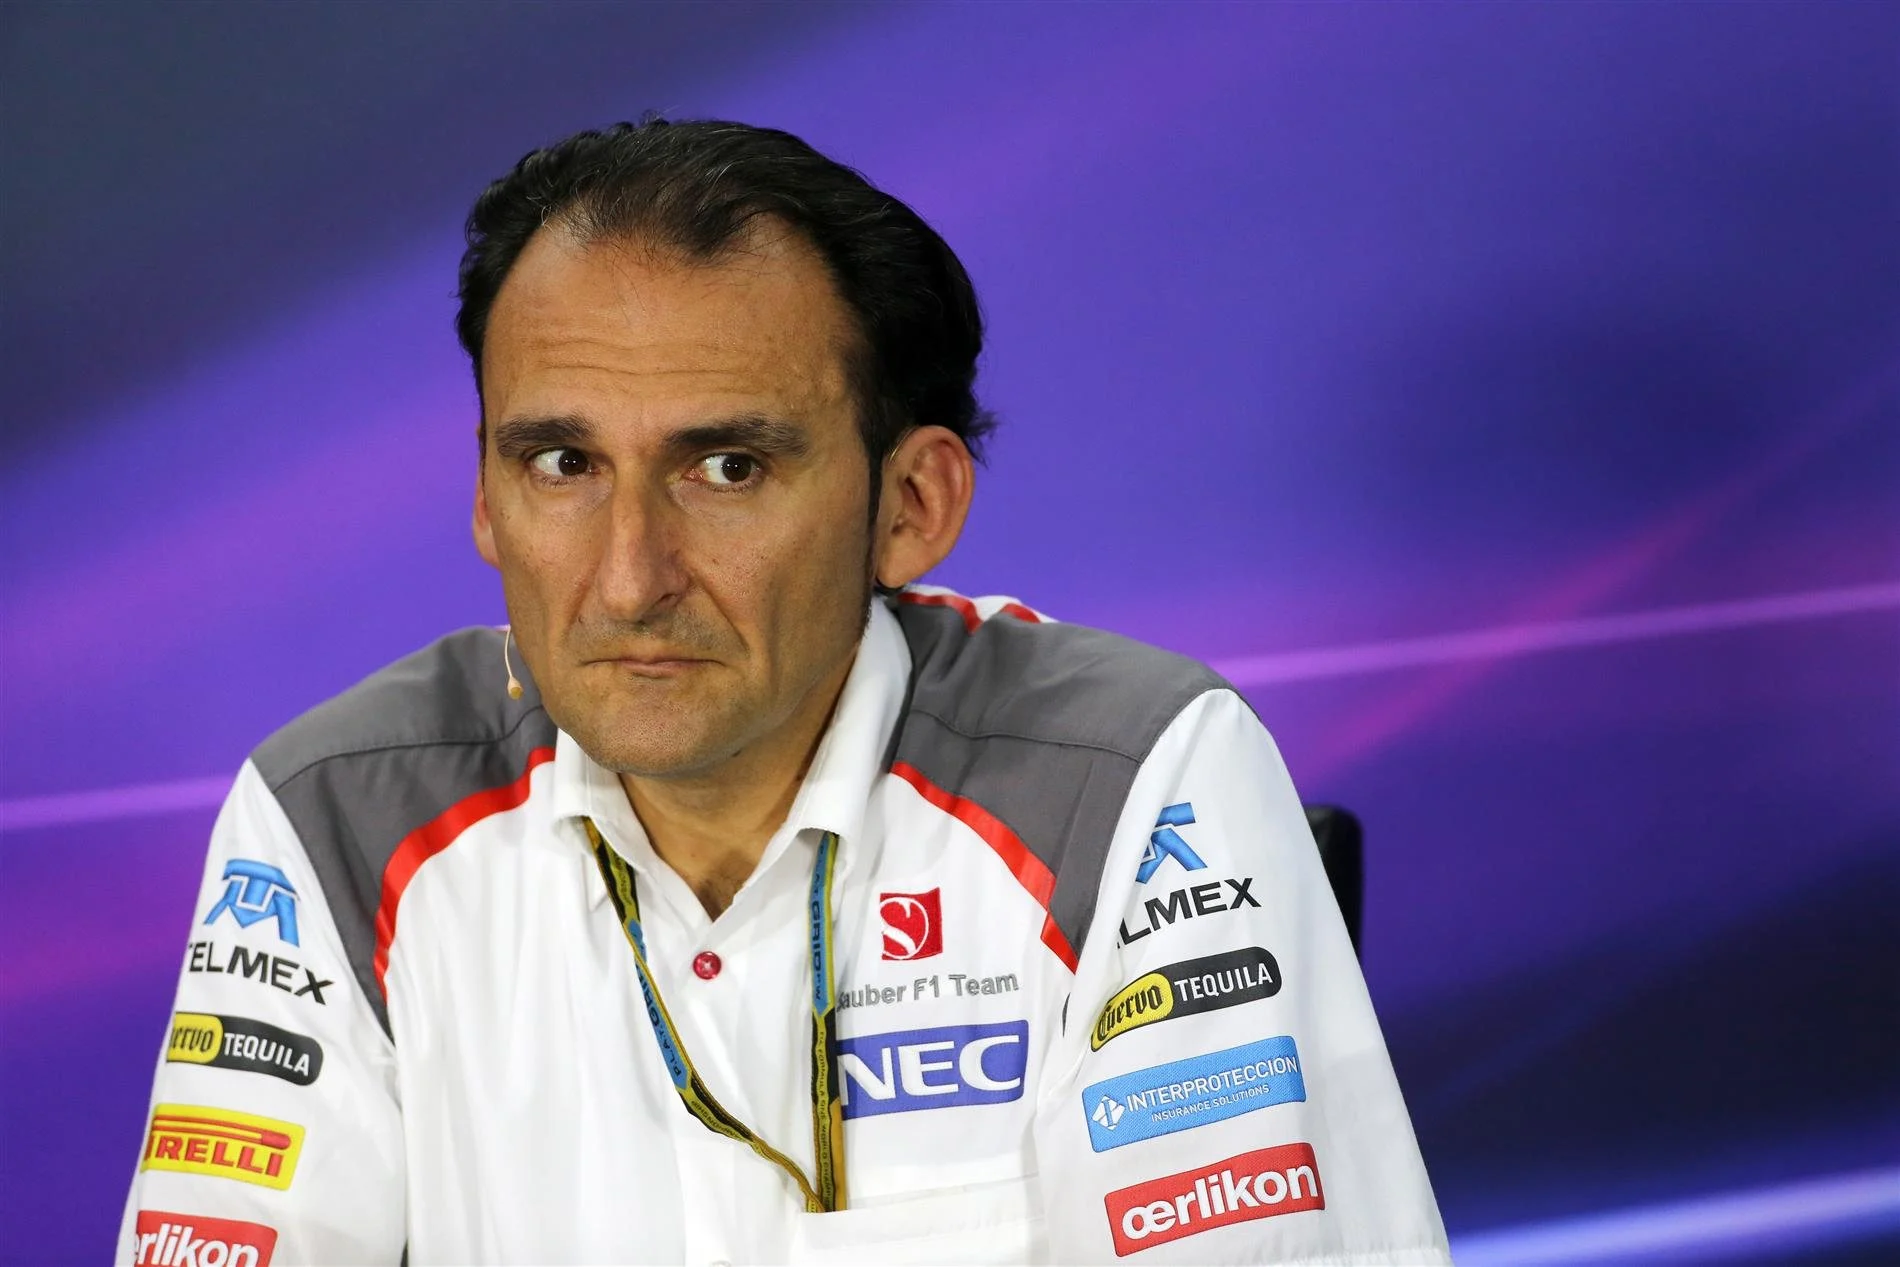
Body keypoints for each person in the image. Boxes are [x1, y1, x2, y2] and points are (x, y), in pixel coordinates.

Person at [119, 118, 1450, 1266]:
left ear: (911, 506)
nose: (632, 577)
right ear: (483, 494)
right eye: (563, 463)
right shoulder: (334, 820)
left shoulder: (1136, 780)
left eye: (729, 468)